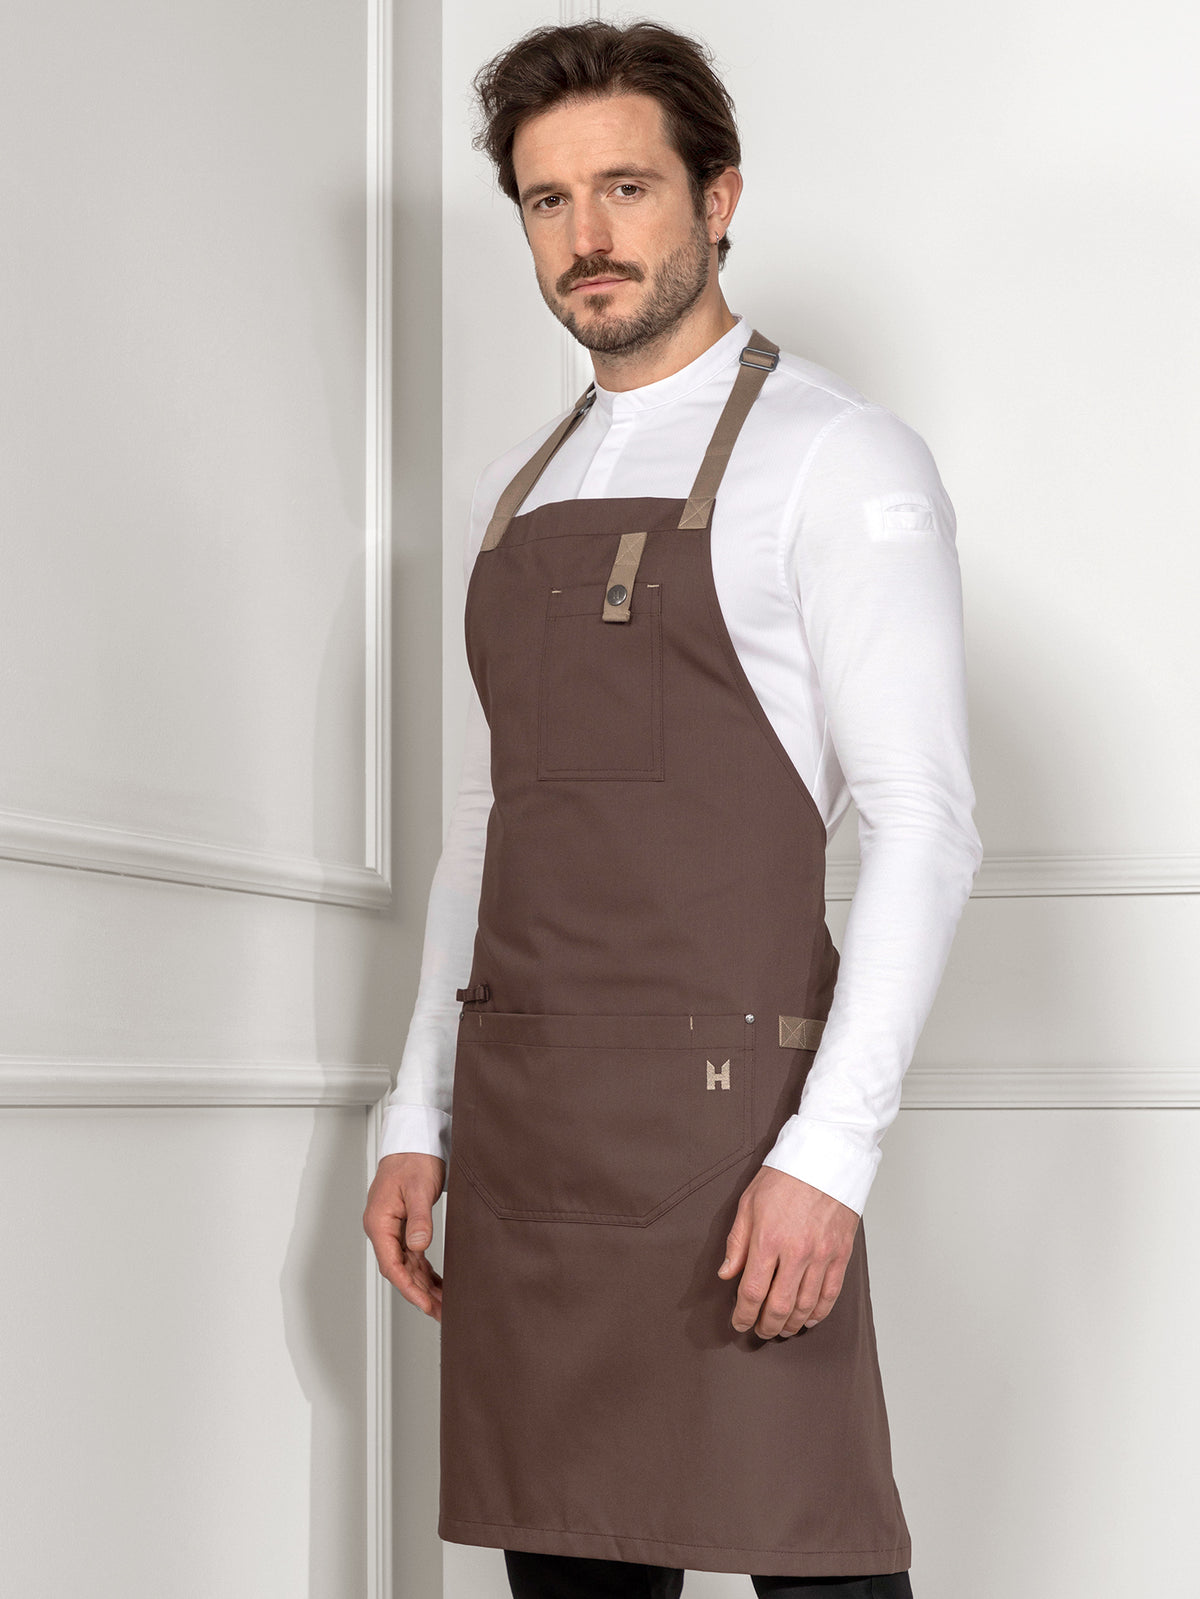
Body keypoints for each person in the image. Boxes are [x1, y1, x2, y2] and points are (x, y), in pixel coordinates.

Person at [363, 19, 982, 1599]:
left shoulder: (838, 459)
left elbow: (923, 824)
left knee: (817, 1561)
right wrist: (416, 1114)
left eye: (626, 187)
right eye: (546, 198)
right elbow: (483, 831)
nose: (586, 234)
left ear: (718, 197)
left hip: (734, 1143)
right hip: (532, 1141)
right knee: (570, 1580)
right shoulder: (511, 492)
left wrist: (829, 1156)